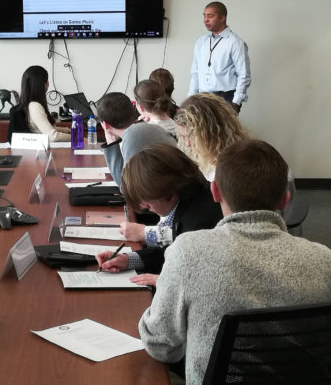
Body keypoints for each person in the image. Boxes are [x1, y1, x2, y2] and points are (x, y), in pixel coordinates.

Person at [136, 139, 331, 384]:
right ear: (285, 200)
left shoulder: (188, 252)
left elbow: (162, 346)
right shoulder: (325, 260)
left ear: (215, 191)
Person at [95, 144, 222, 285]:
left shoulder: (199, 222)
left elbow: (193, 277)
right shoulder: (190, 201)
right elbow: (170, 252)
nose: (144, 207)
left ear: (167, 191)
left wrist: (163, 281)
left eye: (147, 202)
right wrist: (128, 259)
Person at [96, 92, 176, 187]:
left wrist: (111, 141)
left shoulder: (133, 135)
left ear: (105, 124)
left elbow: (126, 188)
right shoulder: (144, 126)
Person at [189, 1, 250, 113]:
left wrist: (236, 102)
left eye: (210, 16)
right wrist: (191, 98)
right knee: (202, 131)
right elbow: (195, 72)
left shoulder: (235, 42)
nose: (205, 20)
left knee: (222, 131)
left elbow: (244, 75)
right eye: (204, 16)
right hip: (203, 97)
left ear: (222, 18)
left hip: (226, 97)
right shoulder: (201, 41)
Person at [175, 92, 248, 181]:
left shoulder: (230, 170)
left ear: (211, 133)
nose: (187, 144)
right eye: (183, 136)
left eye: (190, 136)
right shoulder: (200, 156)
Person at [12, 65, 70, 142]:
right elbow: (53, 136)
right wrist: (80, 139)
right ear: (44, 84)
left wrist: (66, 130)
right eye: (47, 80)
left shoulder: (29, 104)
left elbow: (44, 127)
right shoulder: (35, 106)